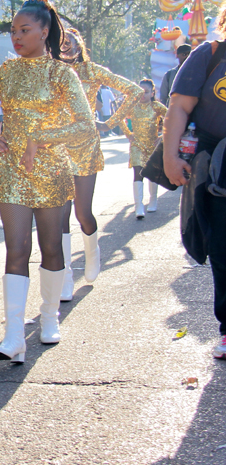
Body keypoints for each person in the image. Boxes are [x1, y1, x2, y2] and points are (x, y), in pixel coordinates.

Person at [0, 0, 94, 363]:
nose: (16, 36)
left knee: (52, 248)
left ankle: (48, 317)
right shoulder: (4, 72)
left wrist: (42, 139)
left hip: (53, 170)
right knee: (15, 250)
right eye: (13, 31)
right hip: (11, 170)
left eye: (24, 30)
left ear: (45, 32)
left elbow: (85, 125)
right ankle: (13, 336)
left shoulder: (61, 73)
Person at [163, 0, 226, 360]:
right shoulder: (210, 53)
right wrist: (171, 157)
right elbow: (180, 107)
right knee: (221, 247)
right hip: (217, 167)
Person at [62, 28, 143, 299]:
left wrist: (108, 123)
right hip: (55, 146)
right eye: (61, 42)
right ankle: (64, 275)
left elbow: (133, 91)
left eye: (70, 42)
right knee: (59, 214)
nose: (65, 47)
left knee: (82, 212)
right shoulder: (49, 71)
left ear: (79, 44)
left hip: (85, 146)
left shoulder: (92, 71)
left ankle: (92, 252)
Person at [98, 78, 166, 219]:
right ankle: (139, 205)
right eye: (140, 92)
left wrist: (162, 136)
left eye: (146, 92)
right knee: (138, 172)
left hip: (152, 144)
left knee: (152, 172)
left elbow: (171, 118)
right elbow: (119, 118)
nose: (143, 95)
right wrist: (128, 134)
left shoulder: (157, 107)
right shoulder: (132, 107)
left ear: (152, 93)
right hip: (137, 145)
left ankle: (153, 200)